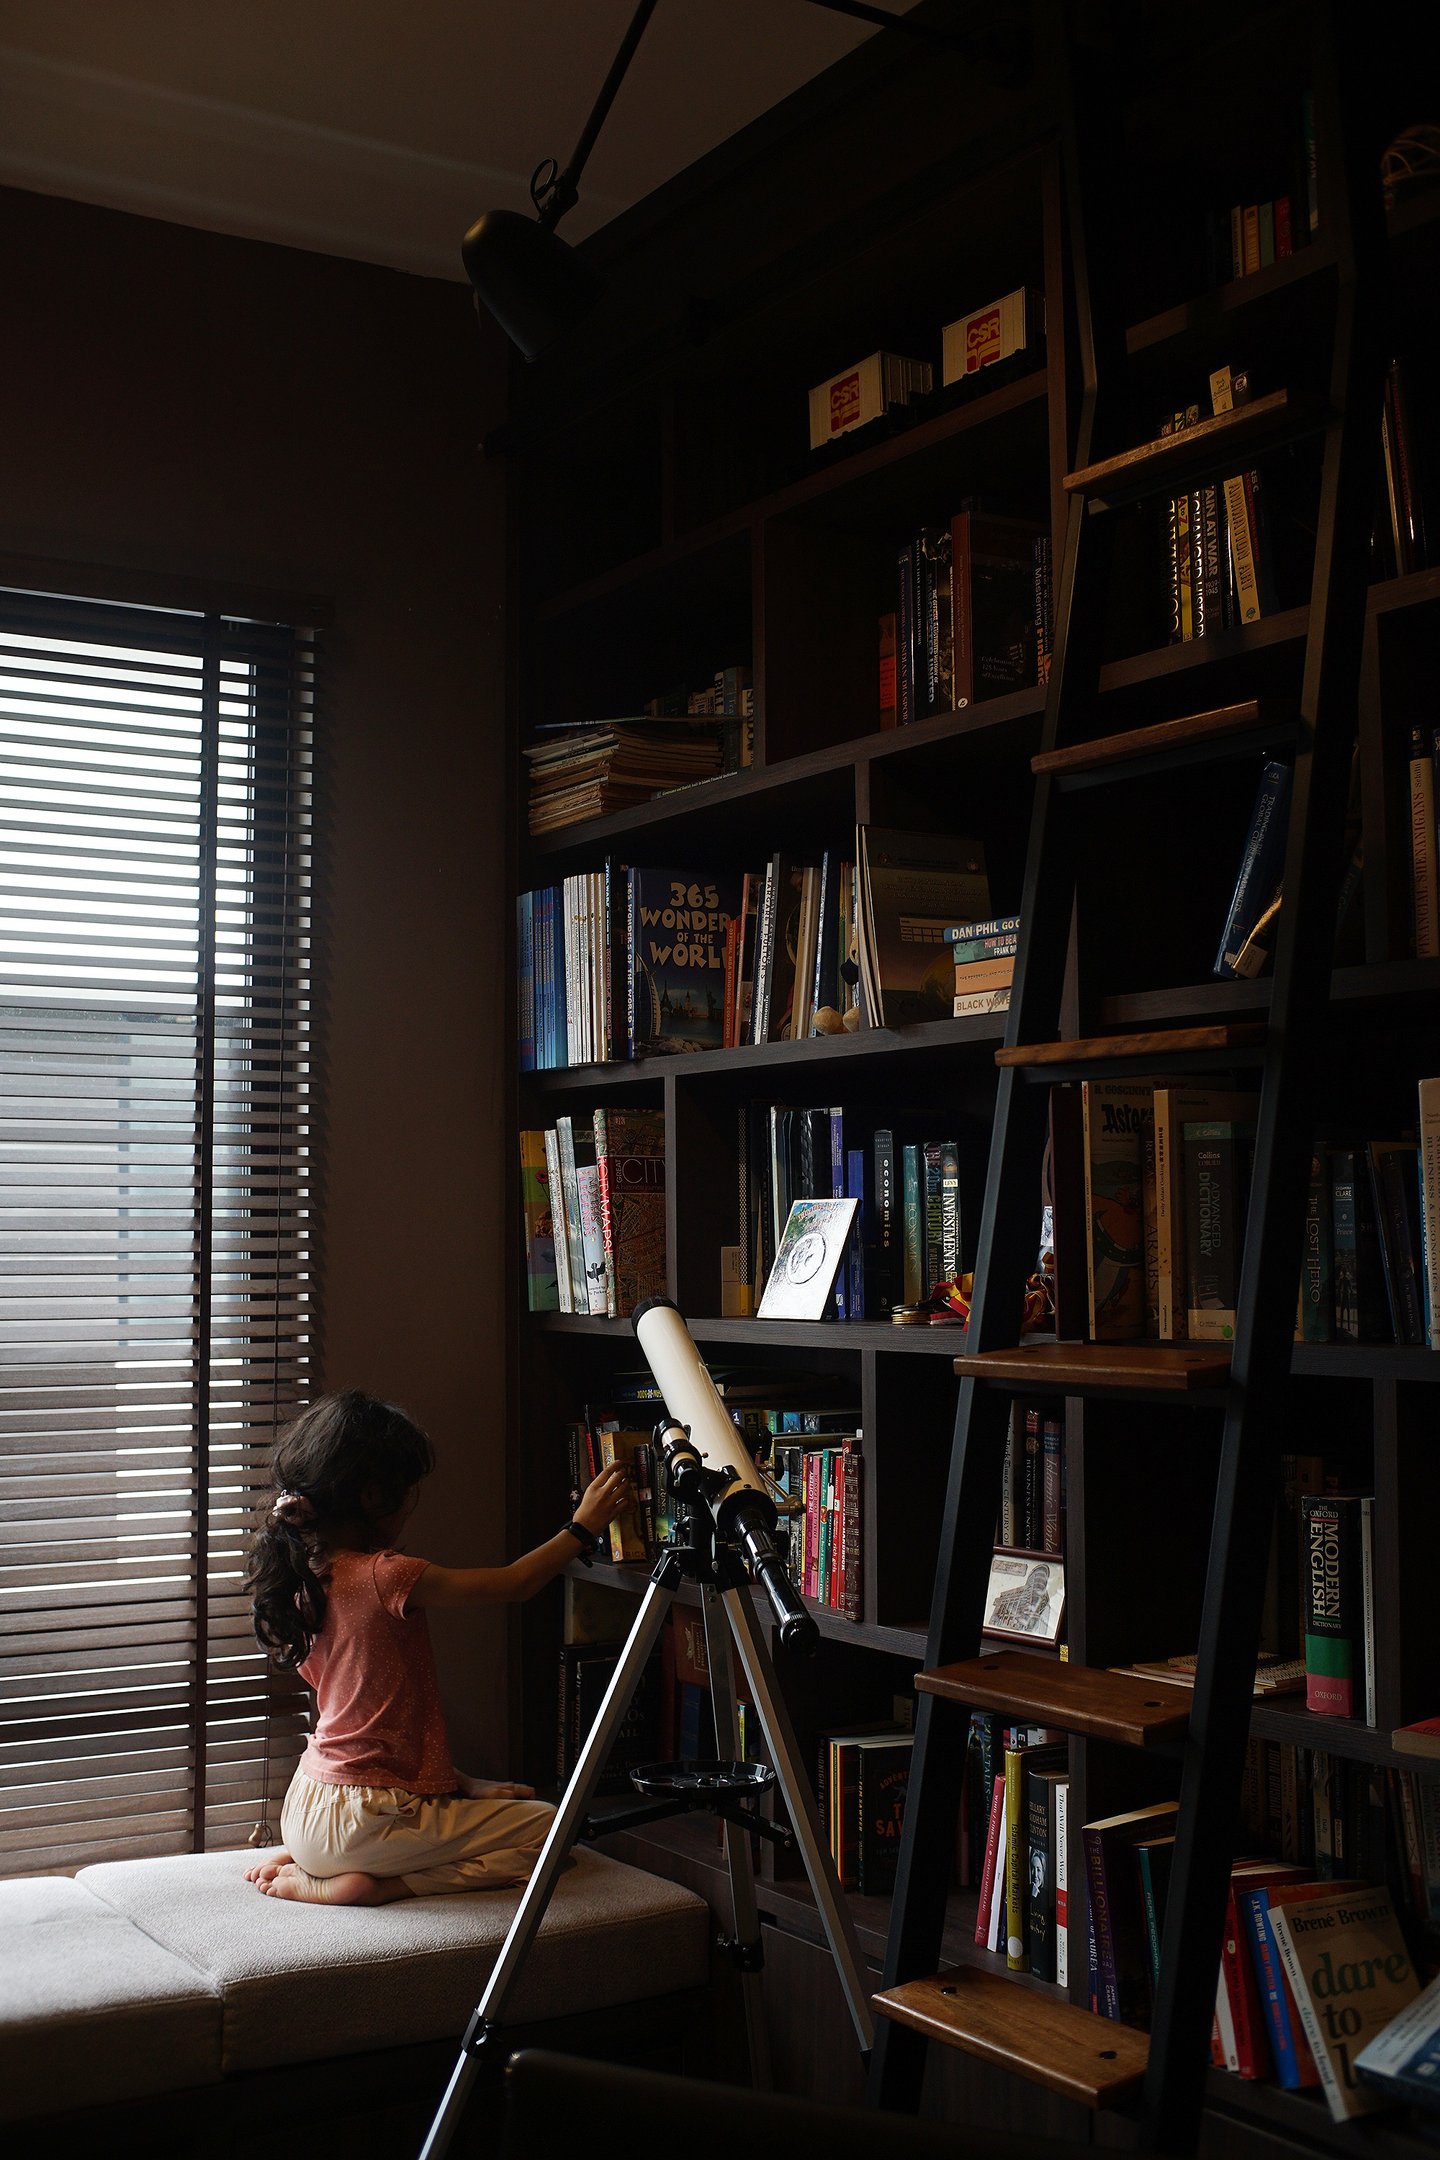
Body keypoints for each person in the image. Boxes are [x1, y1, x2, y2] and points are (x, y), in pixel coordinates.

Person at [242, 1391, 631, 1906]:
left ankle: (311, 1856)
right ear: (374, 1497)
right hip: (363, 1822)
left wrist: (461, 1785)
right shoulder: (386, 1574)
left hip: (307, 1803)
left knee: (496, 1815)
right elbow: (514, 1583)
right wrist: (583, 1525)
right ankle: (376, 1884)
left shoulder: (305, 1579)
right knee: (554, 1830)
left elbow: (370, 1727)